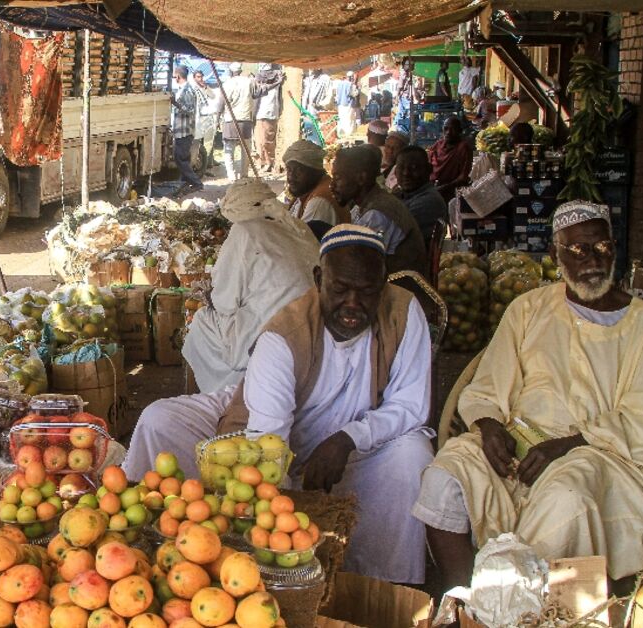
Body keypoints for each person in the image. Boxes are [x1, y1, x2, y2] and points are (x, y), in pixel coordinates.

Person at [125, 224, 435, 584]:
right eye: (340, 289)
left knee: (413, 454)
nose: (353, 304)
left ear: (383, 285)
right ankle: (153, 549)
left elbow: (411, 405)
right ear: (319, 279)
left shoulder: (404, 311)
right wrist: (282, 525)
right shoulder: (284, 335)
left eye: (366, 292)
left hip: (360, 439)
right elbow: (268, 443)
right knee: (159, 419)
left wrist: (347, 438)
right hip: (262, 418)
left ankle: (383, 583)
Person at [414, 201, 643, 589]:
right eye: (576, 250)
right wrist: (488, 426)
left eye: (600, 247)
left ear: (614, 248)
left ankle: (526, 607)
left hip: (602, 456)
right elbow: (488, 385)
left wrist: (567, 445)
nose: (591, 259)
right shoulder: (528, 309)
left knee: (566, 497)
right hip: (518, 447)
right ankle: (465, 603)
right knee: (446, 473)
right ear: (555, 256)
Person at [182, 179, 320, 393]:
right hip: (313, 324)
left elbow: (225, 302)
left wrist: (209, 296)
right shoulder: (298, 225)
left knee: (200, 324)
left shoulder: (244, 230)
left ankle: (215, 397)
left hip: (273, 330)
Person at [331, 145, 428, 276]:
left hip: (401, 292)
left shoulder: (377, 214)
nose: (332, 185)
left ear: (361, 178)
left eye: (337, 178)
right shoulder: (368, 204)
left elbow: (360, 270)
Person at [282, 140, 347, 238]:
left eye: (299, 170)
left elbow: (302, 242)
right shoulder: (306, 190)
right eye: (289, 170)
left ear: (315, 171)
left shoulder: (320, 201)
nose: (291, 177)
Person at [393, 146, 447, 250]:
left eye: (413, 168)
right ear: (395, 172)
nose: (406, 173)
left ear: (428, 170)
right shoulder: (405, 194)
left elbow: (392, 235)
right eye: (401, 168)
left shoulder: (429, 201)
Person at [217, 62, 261, 181]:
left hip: (230, 120)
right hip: (245, 120)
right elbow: (257, 94)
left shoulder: (227, 83)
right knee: (245, 150)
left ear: (231, 72)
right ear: (240, 71)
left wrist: (217, 118)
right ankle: (244, 174)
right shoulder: (249, 81)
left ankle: (231, 176)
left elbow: (221, 103)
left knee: (228, 150)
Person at [170, 65, 204, 194]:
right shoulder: (182, 89)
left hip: (185, 131)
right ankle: (183, 183)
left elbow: (189, 110)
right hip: (181, 130)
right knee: (182, 158)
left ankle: (196, 182)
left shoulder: (187, 90)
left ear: (178, 76)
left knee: (180, 158)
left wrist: (175, 103)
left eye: (174, 75)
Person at [429, 116, 473, 202]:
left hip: (453, 193)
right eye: (446, 129)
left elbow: (463, 177)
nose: (448, 132)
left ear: (460, 131)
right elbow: (428, 167)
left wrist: (443, 187)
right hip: (434, 189)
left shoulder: (463, 148)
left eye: (453, 129)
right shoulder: (437, 145)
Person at [253, 63, 285, 173]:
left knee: (267, 141)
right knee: (259, 141)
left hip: (270, 113)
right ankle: (260, 162)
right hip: (259, 114)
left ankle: (269, 162)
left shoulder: (277, 83)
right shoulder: (261, 83)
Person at [335, 70, 359, 138]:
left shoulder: (339, 84)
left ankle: (341, 134)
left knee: (342, 119)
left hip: (340, 105)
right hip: (348, 105)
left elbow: (337, 95)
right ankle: (349, 135)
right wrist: (357, 90)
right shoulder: (350, 84)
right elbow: (353, 94)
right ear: (351, 77)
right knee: (349, 120)